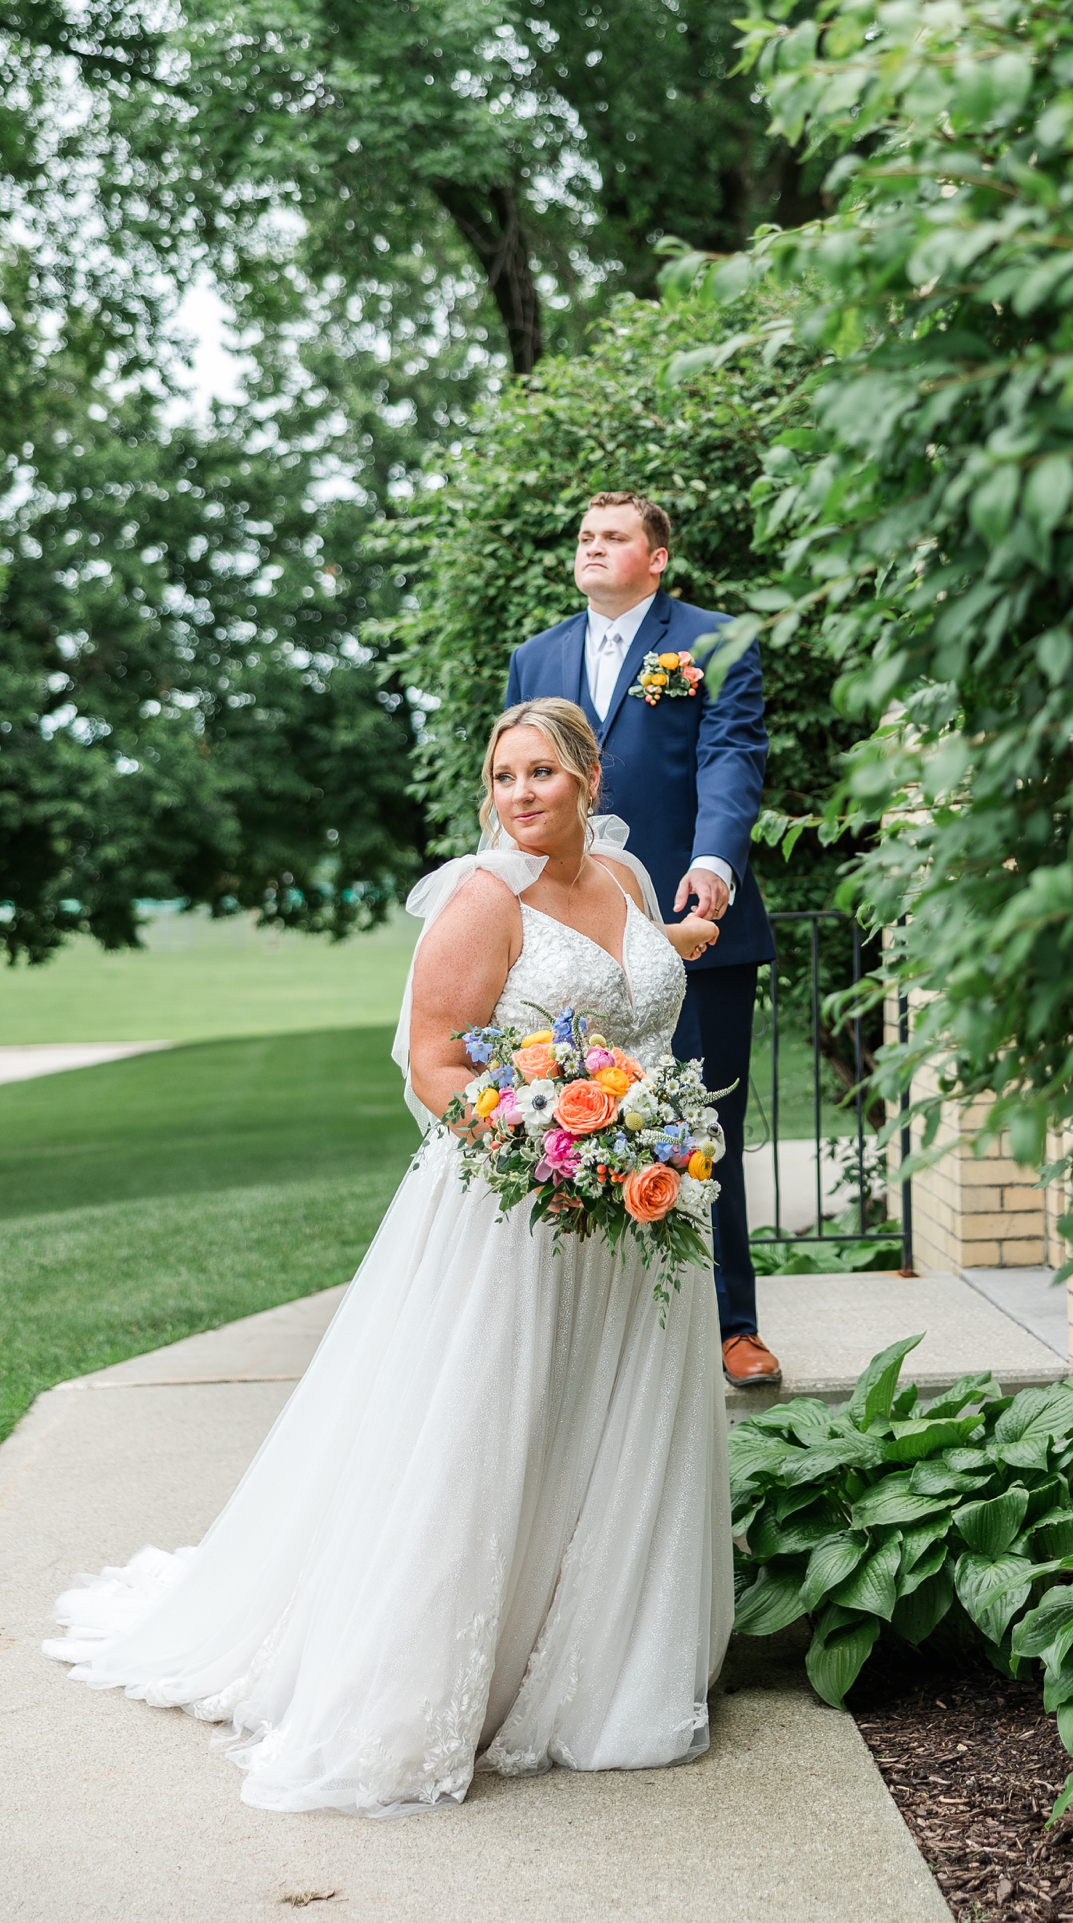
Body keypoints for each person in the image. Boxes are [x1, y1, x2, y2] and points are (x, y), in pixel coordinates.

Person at [44, 700, 733, 1815]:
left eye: (542, 772)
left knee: (620, 1424)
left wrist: (647, 1108)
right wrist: (556, 1146)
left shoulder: (634, 884)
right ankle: (439, 1674)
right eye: (503, 775)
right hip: (526, 1209)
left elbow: (649, 986)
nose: (519, 793)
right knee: (492, 1426)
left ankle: (604, 1666)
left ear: (589, 777)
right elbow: (433, 1060)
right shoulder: (480, 900)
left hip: (648, 1207)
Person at [504, 492, 783, 1388]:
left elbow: (730, 757)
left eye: (613, 536)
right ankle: (594, 1341)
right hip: (568, 937)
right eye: (584, 536)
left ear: (656, 558)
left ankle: (732, 1327)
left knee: (710, 1125)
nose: (592, 547)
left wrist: (714, 863)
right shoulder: (535, 656)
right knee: (576, 1121)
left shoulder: (711, 641)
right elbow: (519, 787)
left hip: (696, 925)